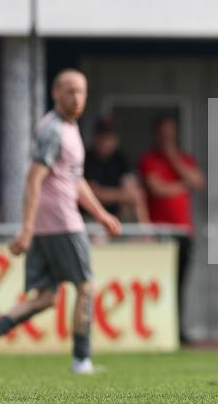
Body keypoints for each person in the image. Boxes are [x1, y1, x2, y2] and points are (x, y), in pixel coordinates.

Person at [0, 69, 122, 375]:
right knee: (86, 286)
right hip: (61, 221)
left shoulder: (69, 128)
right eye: (69, 91)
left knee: (47, 297)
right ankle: (81, 360)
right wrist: (26, 228)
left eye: (81, 92)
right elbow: (33, 180)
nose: (76, 98)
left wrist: (101, 214)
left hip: (50, 223)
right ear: (55, 93)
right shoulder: (53, 130)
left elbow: (73, 179)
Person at [139, 115, 205, 344]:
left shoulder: (183, 158)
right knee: (159, 283)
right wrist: (180, 186)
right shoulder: (149, 159)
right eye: (163, 132)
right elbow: (157, 189)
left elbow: (196, 181)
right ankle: (156, 329)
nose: (167, 137)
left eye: (170, 132)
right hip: (159, 232)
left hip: (182, 232)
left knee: (179, 284)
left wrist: (173, 158)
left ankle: (177, 330)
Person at [84, 117, 149, 223]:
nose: (105, 141)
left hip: (116, 216)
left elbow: (134, 192)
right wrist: (122, 195)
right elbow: (93, 194)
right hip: (91, 217)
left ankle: (146, 234)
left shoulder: (120, 159)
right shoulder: (87, 158)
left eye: (109, 137)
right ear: (96, 137)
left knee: (135, 197)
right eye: (102, 136)